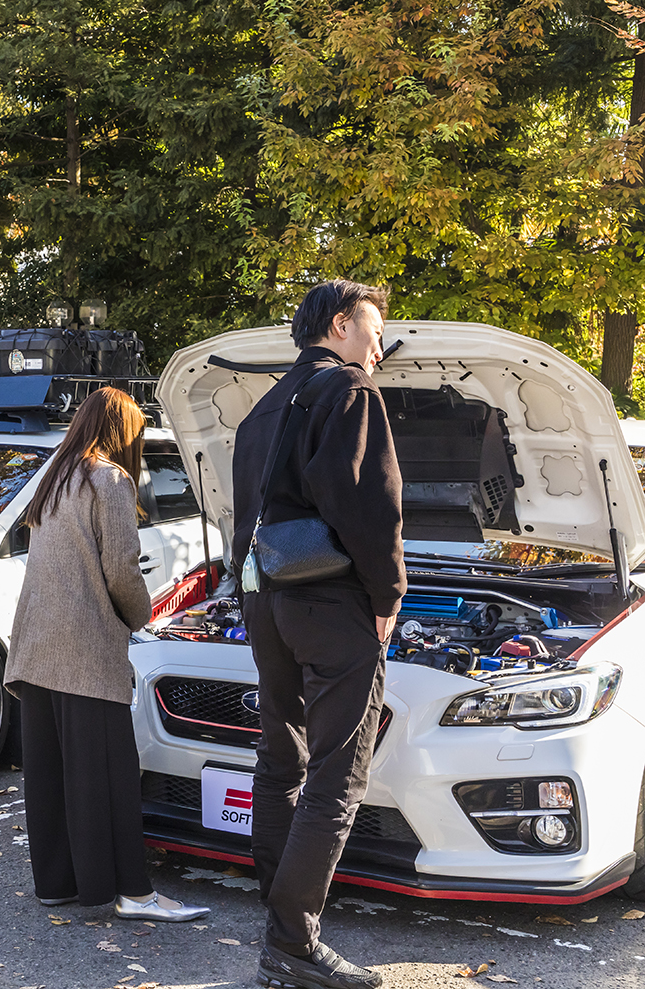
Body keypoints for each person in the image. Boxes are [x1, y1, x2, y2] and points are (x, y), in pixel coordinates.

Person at [230, 280, 404, 989]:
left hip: (264, 598)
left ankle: (279, 915)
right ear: (340, 324)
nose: (380, 342)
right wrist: (387, 594)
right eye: (374, 325)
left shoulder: (262, 408)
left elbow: (242, 515)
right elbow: (369, 504)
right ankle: (294, 943)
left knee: (282, 760)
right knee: (338, 772)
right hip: (331, 604)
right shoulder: (350, 392)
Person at [6, 387, 210, 923]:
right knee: (108, 773)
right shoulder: (109, 478)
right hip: (83, 648)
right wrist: (145, 617)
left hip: (34, 645)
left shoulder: (58, 474)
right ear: (122, 430)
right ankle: (132, 894)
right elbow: (122, 567)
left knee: (51, 775)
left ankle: (59, 885)